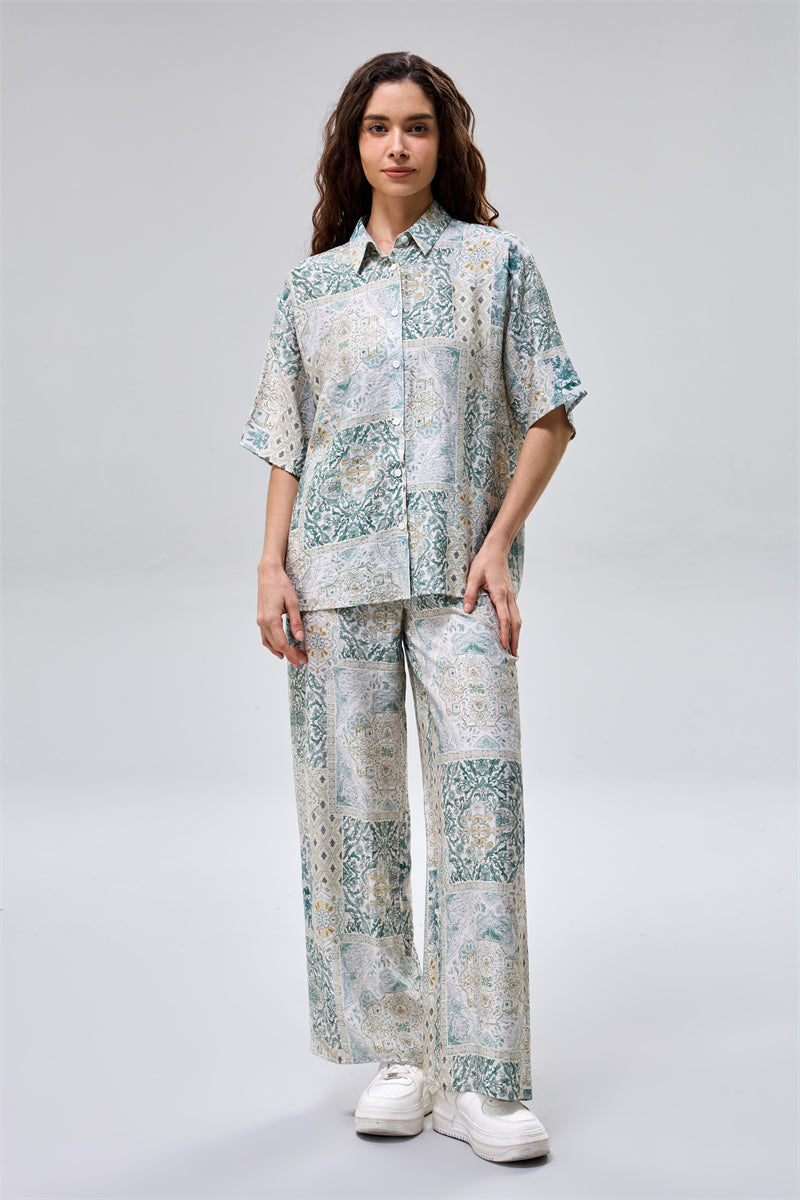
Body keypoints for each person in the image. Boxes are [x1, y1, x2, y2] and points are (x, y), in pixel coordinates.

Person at [240, 50, 587, 1164]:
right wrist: (269, 566)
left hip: (457, 581)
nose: (398, 144)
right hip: (333, 585)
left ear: (445, 142)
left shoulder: (496, 266)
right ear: (354, 145)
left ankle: (483, 1076)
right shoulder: (310, 290)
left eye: (418, 126)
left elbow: (550, 412)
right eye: (379, 127)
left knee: (480, 813)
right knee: (358, 823)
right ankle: (402, 1053)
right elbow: (286, 439)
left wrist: (497, 547)